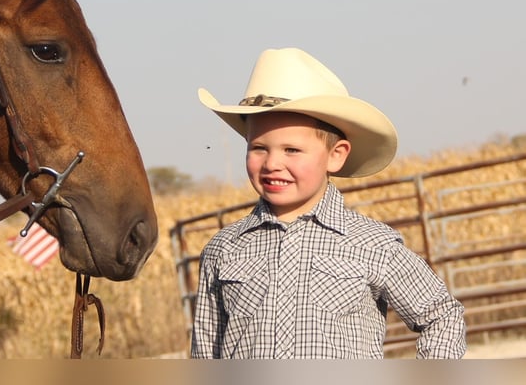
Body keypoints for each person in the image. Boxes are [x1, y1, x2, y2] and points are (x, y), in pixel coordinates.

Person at [190, 48, 466, 359]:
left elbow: (441, 315)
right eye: (259, 148)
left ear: (336, 155)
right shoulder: (224, 249)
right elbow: (205, 350)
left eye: (292, 150)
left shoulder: (373, 244)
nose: (272, 163)